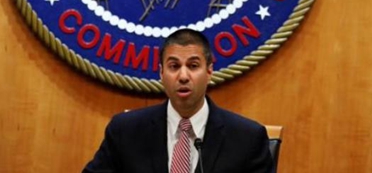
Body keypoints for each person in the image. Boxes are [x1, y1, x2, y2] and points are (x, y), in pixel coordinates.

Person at [83, 28, 275, 173]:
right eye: (174, 66)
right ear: (161, 73)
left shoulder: (248, 138)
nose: (183, 76)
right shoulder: (125, 131)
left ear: (209, 71)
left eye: (193, 66)